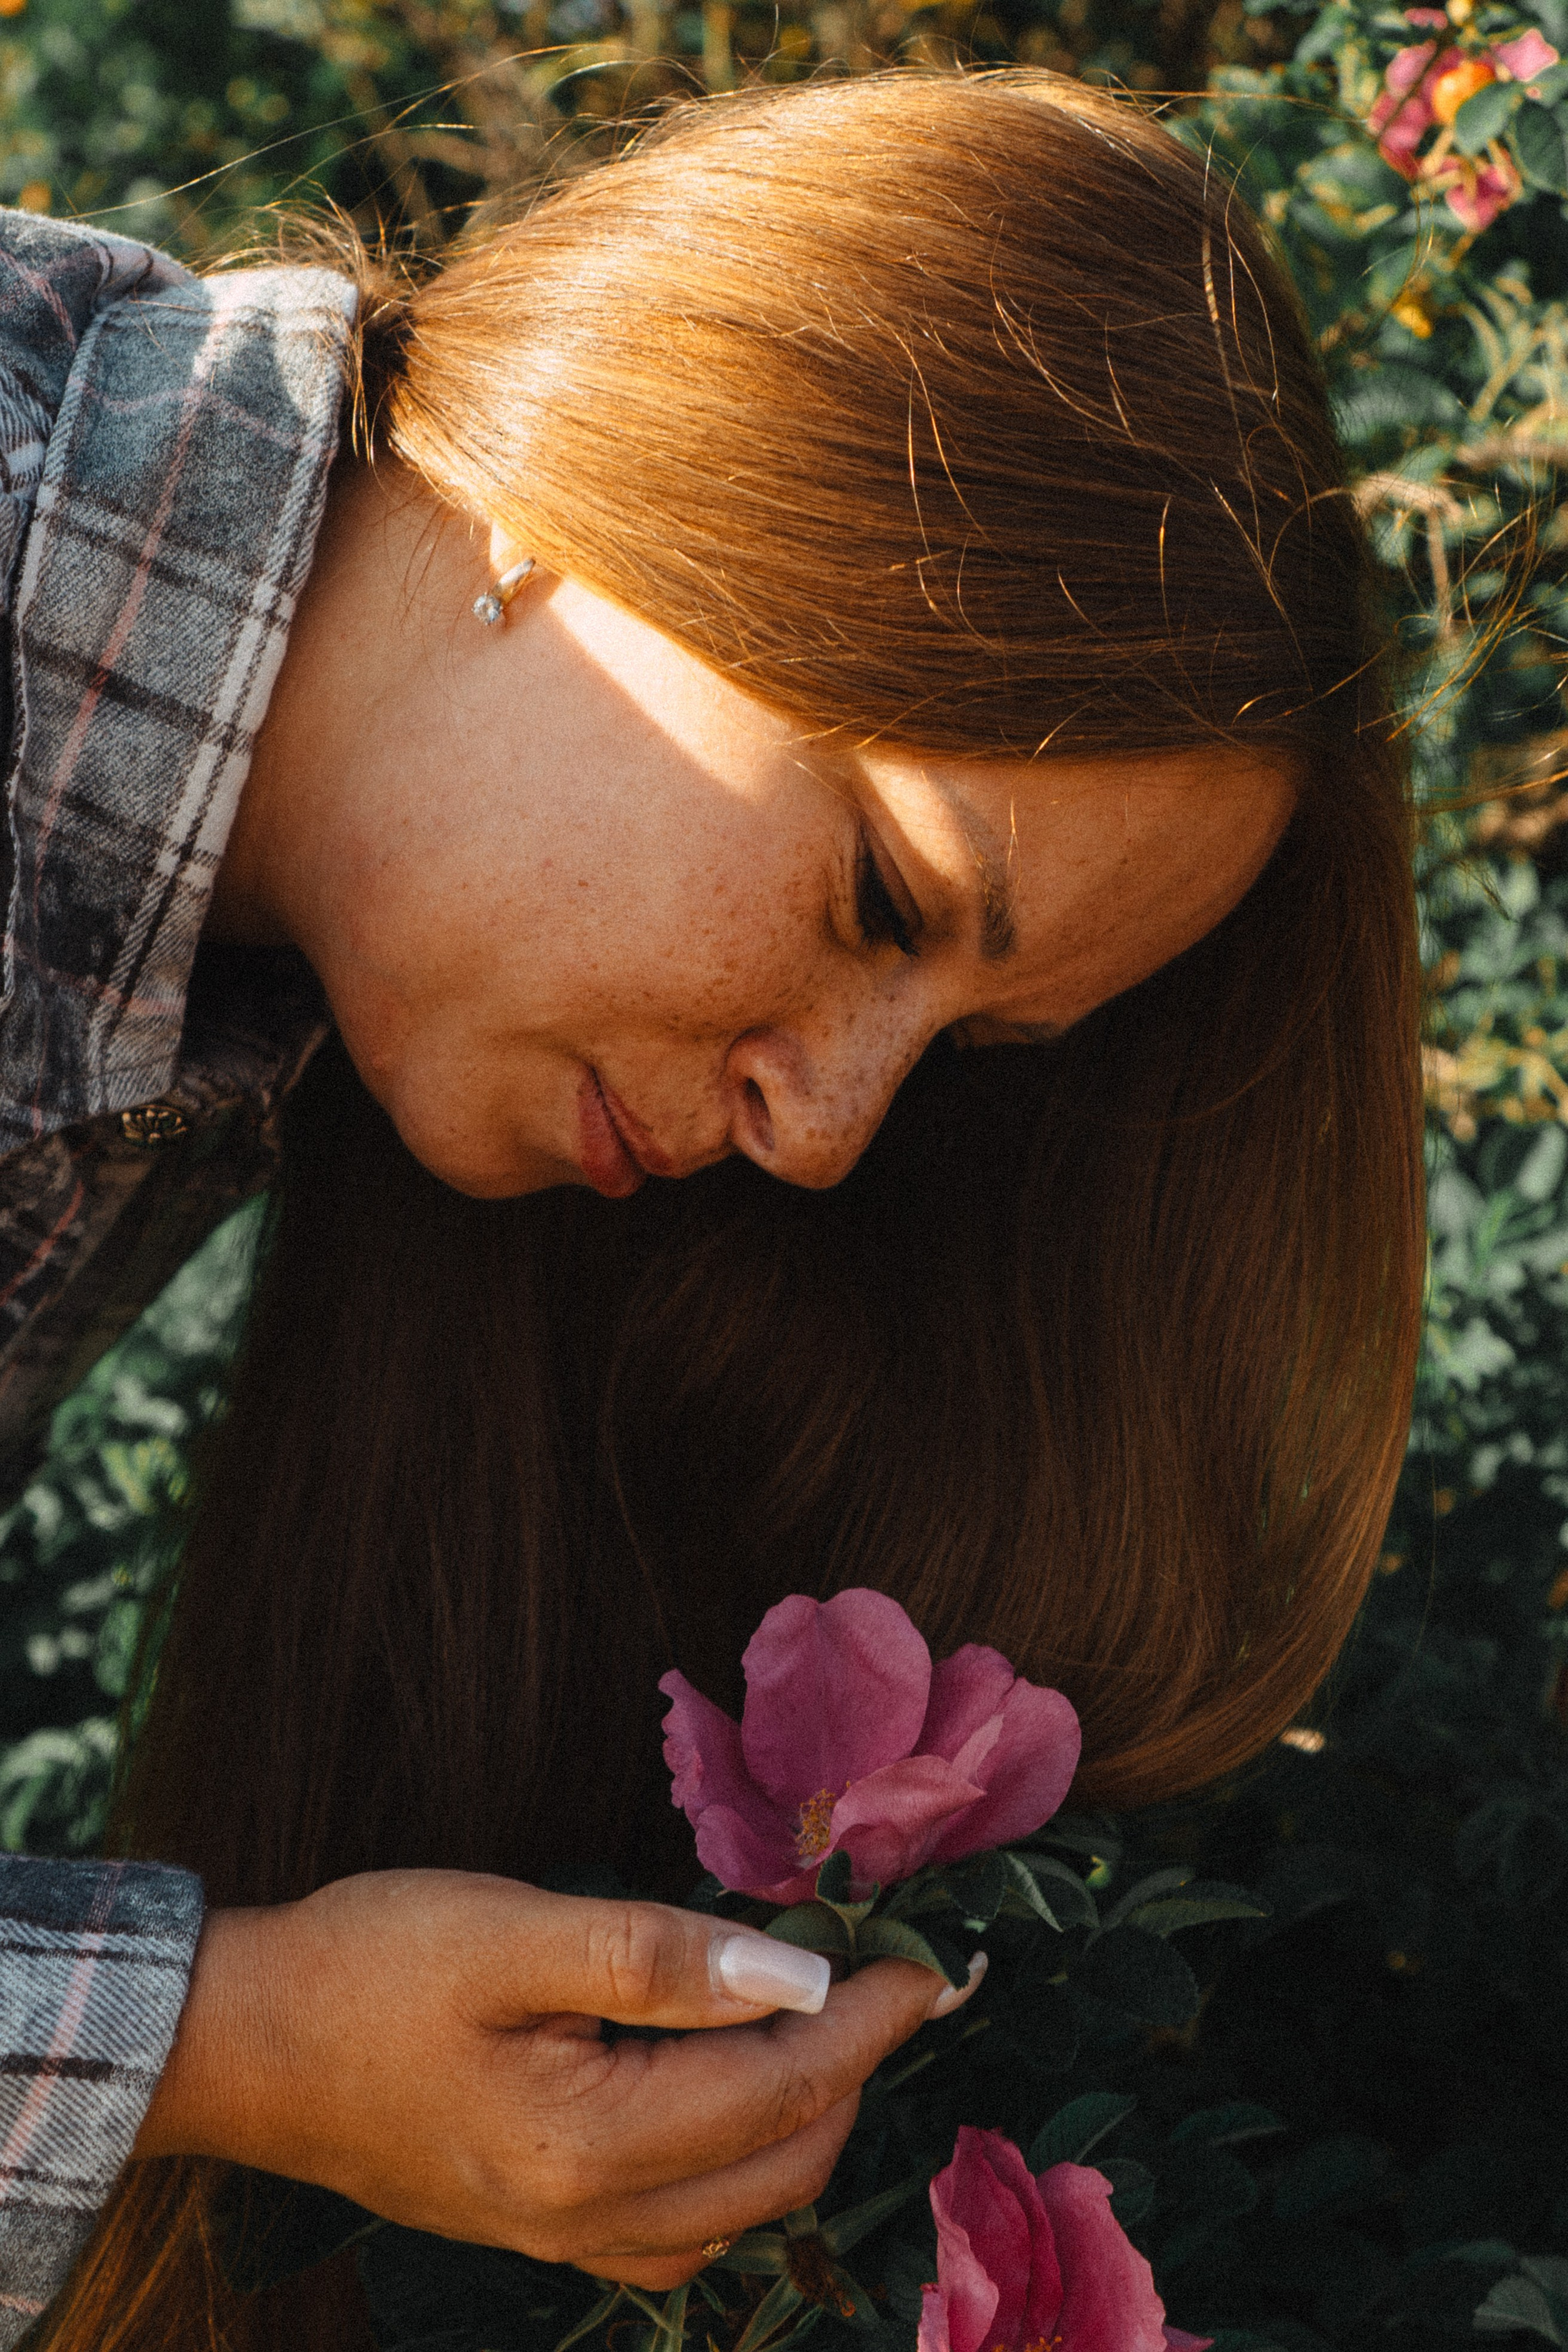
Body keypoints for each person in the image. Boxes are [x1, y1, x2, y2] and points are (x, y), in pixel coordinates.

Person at [0, 61, 1423, 2352]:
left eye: (961, 1048)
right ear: (626, 477)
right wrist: (212, 2044)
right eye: (881, 894)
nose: (831, 1129)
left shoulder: (221, 966)